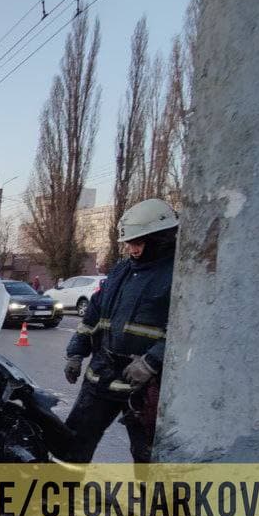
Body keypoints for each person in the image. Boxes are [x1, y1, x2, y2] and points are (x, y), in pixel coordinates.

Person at [63, 198, 178, 463]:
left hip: (144, 383)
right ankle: (57, 497)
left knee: (147, 456)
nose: (131, 249)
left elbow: (186, 331)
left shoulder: (178, 274)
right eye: (128, 244)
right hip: (102, 375)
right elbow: (94, 313)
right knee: (72, 444)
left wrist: (152, 362)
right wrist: (76, 352)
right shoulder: (121, 271)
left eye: (137, 243)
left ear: (160, 239)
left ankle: (152, 503)